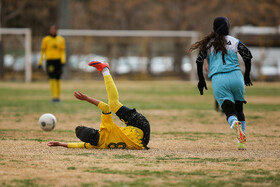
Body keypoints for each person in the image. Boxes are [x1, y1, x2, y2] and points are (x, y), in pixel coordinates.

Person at [47, 61, 150, 150]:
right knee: (113, 104)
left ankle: (105, 69)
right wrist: (87, 99)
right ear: (94, 130)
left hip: (143, 142)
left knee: (122, 126)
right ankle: (105, 69)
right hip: (141, 126)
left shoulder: (98, 146)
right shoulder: (106, 129)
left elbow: (79, 145)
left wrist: (61, 144)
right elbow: (106, 107)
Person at [189, 17, 253, 150]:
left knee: (230, 112)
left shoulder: (208, 44)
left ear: (214, 27)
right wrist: (246, 75)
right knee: (239, 109)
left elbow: (199, 61)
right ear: (227, 27)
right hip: (236, 77)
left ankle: (234, 123)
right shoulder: (234, 41)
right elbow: (247, 55)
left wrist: (201, 80)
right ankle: (240, 141)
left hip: (219, 79)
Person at [38, 25, 66, 102]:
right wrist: (40, 62)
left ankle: (58, 97)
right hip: (50, 61)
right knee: (52, 78)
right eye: (51, 29)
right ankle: (54, 97)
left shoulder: (61, 39)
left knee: (58, 79)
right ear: (50, 30)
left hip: (58, 61)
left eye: (54, 29)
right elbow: (42, 51)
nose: (53, 31)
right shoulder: (46, 39)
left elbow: (62, 51)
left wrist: (63, 60)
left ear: (56, 30)